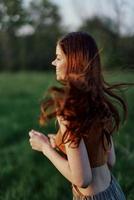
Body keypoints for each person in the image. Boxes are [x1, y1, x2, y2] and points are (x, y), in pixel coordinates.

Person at [29, 32, 127, 200]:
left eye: (58, 58)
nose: (53, 62)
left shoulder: (69, 110)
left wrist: (45, 147)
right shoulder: (99, 102)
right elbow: (109, 160)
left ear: (73, 62)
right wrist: (59, 142)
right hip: (114, 191)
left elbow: (82, 179)